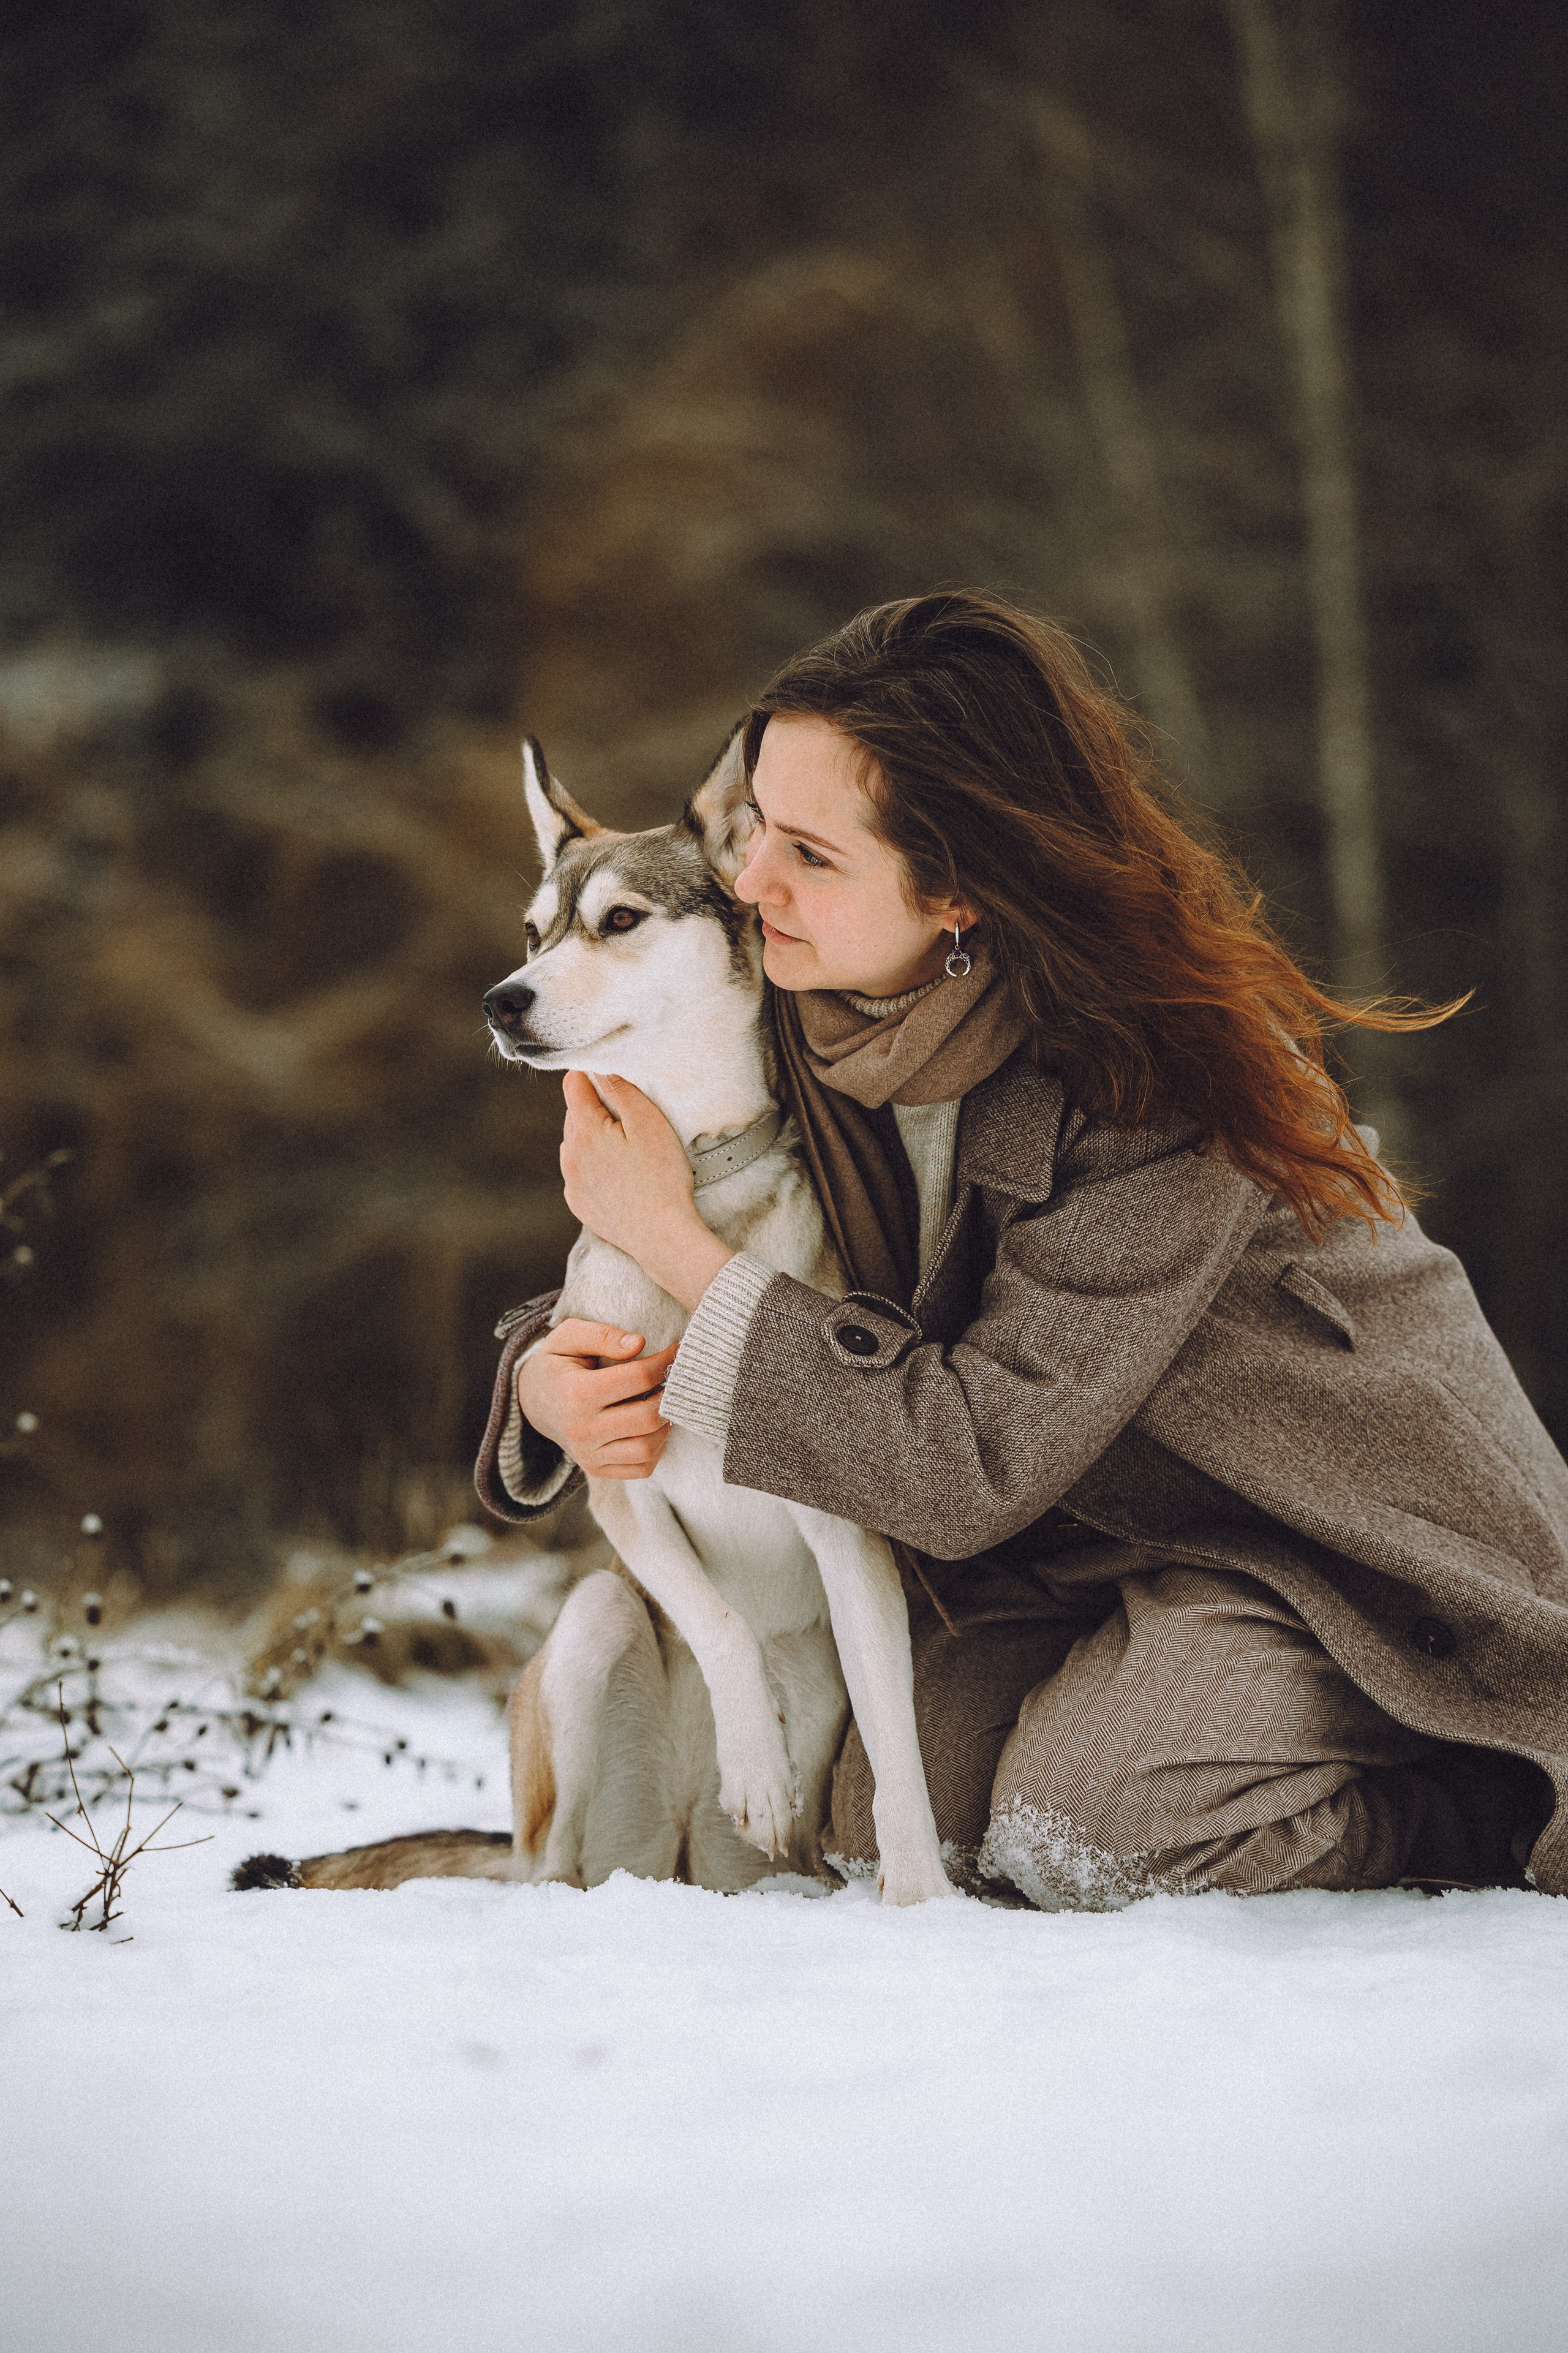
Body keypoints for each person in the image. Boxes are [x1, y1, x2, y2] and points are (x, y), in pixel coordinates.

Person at [488, 590, 1567, 1908]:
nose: (748, 877)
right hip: (1076, 1550)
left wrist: (669, 1239)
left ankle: (1479, 1795)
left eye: (809, 854)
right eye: (757, 823)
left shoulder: (1153, 1084)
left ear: (955, 890)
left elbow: (963, 1459)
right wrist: (546, 1384)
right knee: (867, 1813)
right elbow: (718, 1235)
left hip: (1330, 1553)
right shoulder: (822, 1003)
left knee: (1093, 1830)